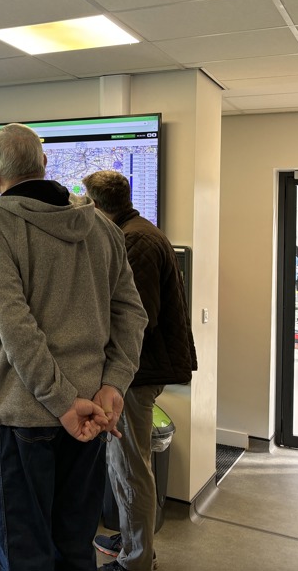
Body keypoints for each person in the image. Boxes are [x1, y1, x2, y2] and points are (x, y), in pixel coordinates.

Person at [0, 123, 148, 571]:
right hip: (89, 414)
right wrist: (113, 385)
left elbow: (15, 329)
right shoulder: (102, 227)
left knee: (23, 552)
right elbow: (132, 314)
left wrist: (62, 401)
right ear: (45, 164)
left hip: (22, 417)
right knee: (74, 547)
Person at [82, 171, 198, 571]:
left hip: (137, 370)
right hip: (139, 367)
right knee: (124, 462)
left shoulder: (135, 241)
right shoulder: (137, 231)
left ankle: (135, 560)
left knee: (130, 466)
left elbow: (136, 317)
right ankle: (133, 540)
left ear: (96, 205)